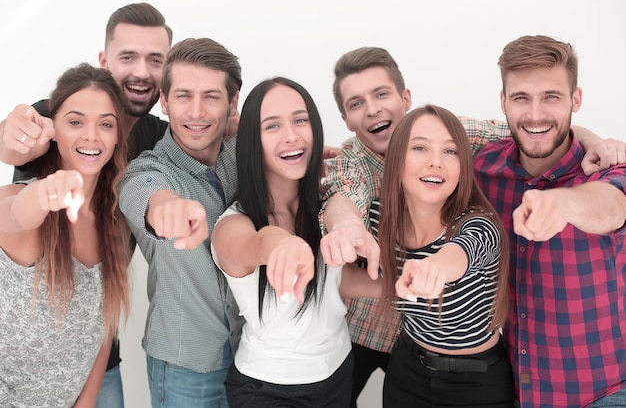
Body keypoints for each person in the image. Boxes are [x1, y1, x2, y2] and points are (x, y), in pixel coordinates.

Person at [318, 46, 625, 406]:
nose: (372, 109)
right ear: (345, 119)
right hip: (385, 340)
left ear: (405, 97)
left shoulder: (460, 140)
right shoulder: (357, 164)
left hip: (569, 382)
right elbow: (343, 195)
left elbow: (537, 131)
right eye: (356, 103)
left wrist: (588, 153)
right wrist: (346, 228)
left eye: (381, 94)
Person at [0, 3, 172, 407]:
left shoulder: (156, 146)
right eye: (128, 56)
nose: (141, 71)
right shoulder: (44, 124)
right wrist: (41, 188)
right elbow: (13, 211)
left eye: (155, 60)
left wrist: (240, 129)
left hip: (91, 374)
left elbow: (102, 319)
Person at [473, 35, 626, 407]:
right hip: (514, 391)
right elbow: (425, 133)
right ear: (503, 102)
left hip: (604, 393)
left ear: (576, 99)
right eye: (521, 97)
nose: (535, 114)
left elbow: (613, 206)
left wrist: (563, 204)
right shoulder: (482, 168)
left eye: (551, 97)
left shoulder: (607, 169)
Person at [211, 76, 379, 407]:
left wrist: (402, 285)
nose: (291, 135)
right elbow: (259, 243)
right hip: (268, 389)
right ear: (251, 142)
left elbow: (334, 279)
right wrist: (284, 247)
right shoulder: (233, 224)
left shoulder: (323, 204)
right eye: (272, 126)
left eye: (300, 120)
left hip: (338, 371)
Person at [118, 37, 244, 408]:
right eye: (184, 96)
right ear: (164, 100)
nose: (196, 112)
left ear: (232, 102)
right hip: (183, 366)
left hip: (249, 355)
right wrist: (167, 208)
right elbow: (143, 194)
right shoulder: (147, 169)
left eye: (211, 96)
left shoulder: (242, 152)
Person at [0, 63, 130, 407]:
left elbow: (101, 330)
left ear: (117, 136)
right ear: (52, 129)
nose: (91, 135)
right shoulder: (19, 195)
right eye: (75, 122)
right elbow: (16, 215)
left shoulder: (113, 223)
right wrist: (45, 193)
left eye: (105, 124)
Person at [372, 105, 514, 407]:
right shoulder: (378, 218)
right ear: (396, 159)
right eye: (420, 147)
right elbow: (347, 278)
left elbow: (457, 255)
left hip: (478, 384)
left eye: (450, 152)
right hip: (407, 371)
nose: (436, 162)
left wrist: (432, 268)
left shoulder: (480, 225)